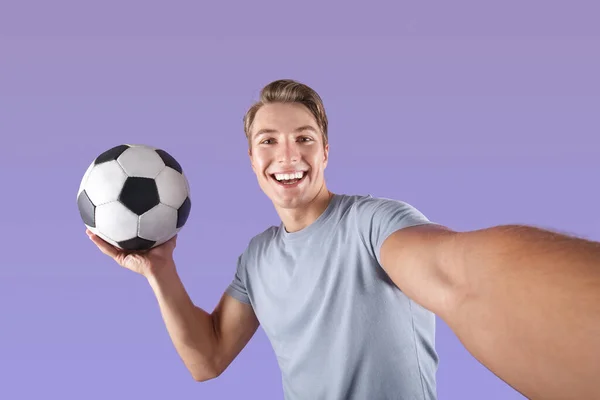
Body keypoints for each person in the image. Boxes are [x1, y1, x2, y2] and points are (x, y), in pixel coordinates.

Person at [87, 79, 600, 400]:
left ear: (325, 152)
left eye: (304, 138)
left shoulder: (376, 222)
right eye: (269, 141)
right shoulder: (258, 257)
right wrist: (159, 269)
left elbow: (458, 276)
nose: (287, 155)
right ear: (252, 161)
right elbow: (207, 360)